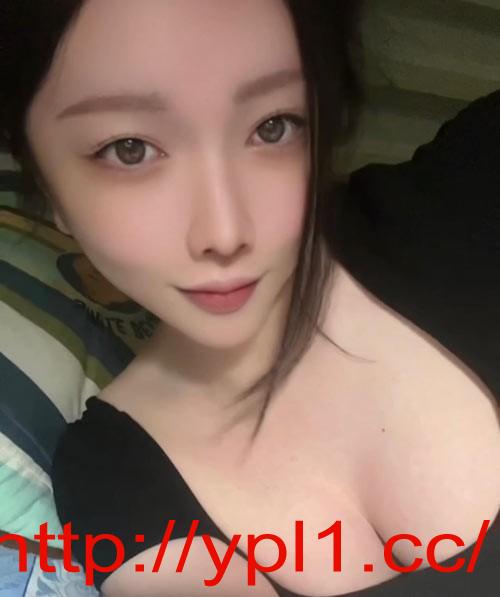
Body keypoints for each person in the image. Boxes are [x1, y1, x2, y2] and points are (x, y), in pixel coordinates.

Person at [1, 1, 499, 595]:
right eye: (129, 149)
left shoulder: (473, 186)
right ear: (46, 183)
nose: (225, 231)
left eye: (273, 127)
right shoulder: (115, 475)